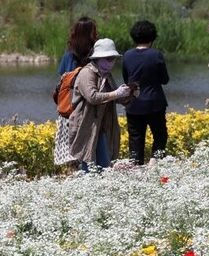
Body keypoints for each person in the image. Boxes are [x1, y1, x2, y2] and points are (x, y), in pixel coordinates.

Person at [68, 38, 134, 171]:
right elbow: (92, 97)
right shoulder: (86, 73)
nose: (112, 62)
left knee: (104, 164)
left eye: (113, 58)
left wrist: (130, 94)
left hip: (102, 126)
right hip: (86, 124)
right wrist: (116, 93)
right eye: (108, 58)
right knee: (88, 162)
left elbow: (115, 97)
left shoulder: (106, 75)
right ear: (98, 59)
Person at [122, 20, 169, 165]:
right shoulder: (156, 55)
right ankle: (154, 164)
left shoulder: (127, 55)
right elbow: (164, 79)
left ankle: (135, 168)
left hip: (133, 104)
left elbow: (126, 79)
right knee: (160, 136)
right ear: (152, 37)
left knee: (135, 139)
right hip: (154, 103)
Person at [54, 17, 98, 166]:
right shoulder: (96, 55)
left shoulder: (68, 55)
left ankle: (79, 168)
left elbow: (62, 80)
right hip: (91, 105)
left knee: (75, 145)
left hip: (71, 106)